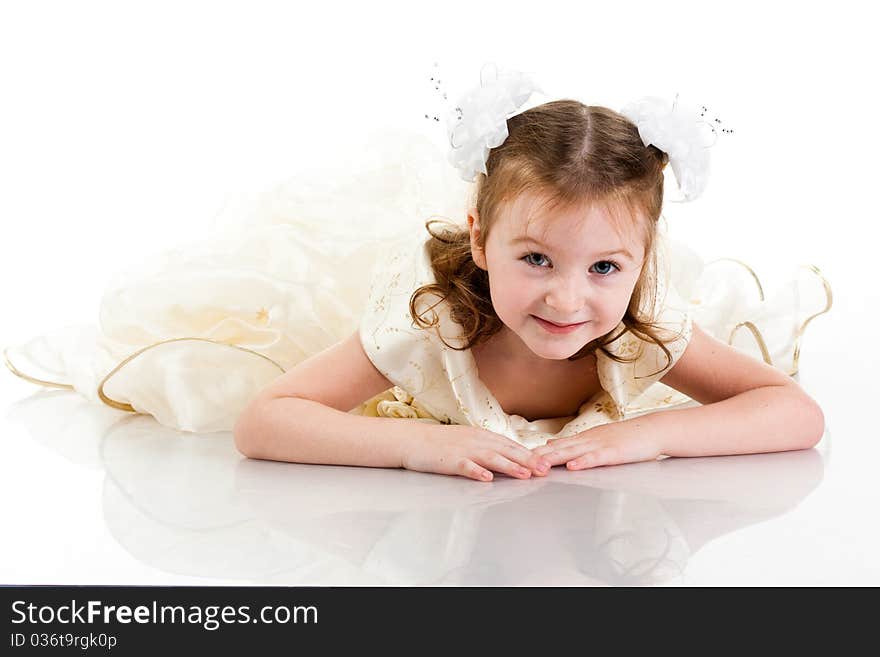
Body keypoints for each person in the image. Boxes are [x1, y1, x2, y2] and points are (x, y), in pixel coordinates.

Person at [4, 64, 831, 482]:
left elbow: (794, 412)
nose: (568, 298)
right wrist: (414, 450)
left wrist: (647, 434)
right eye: (535, 257)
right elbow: (265, 422)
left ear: (642, 265)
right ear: (480, 242)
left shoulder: (641, 323)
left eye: (605, 266)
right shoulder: (431, 320)